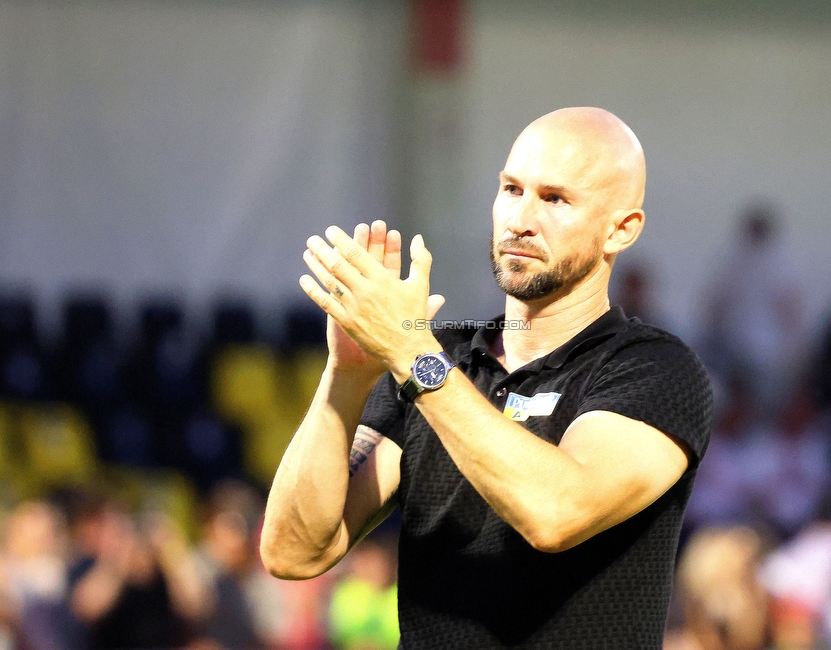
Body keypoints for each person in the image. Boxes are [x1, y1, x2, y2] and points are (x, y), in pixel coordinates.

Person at [260, 107, 713, 649]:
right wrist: (347, 376)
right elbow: (293, 551)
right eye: (510, 188)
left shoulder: (653, 367)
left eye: (555, 199)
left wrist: (411, 355)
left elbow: (557, 513)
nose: (521, 218)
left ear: (621, 229)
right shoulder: (441, 354)